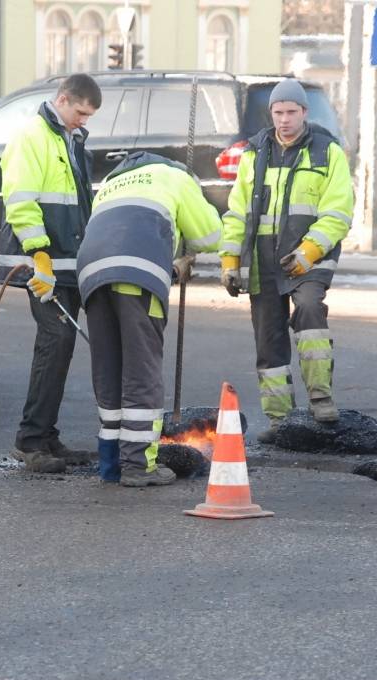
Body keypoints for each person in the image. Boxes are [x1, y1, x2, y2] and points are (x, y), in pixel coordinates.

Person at [219, 78, 354, 443]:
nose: (284, 120)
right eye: (278, 113)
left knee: (309, 310)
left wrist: (310, 250)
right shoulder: (254, 152)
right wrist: (230, 259)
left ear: (304, 113)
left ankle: (320, 399)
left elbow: (338, 212)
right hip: (263, 259)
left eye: (291, 112)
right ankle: (280, 420)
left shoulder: (327, 152)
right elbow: (237, 213)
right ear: (271, 114)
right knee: (269, 337)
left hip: (310, 257)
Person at [76, 152, 222, 486]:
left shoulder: (111, 184)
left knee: (109, 369)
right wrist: (182, 250)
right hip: (138, 276)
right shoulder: (177, 178)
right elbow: (210, 237)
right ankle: (139, 467)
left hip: (91, 277)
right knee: (142, 371)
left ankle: (111, 466)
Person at [0, 74, 102, 474]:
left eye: (89, 116)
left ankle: (45, 436)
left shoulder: (70, 140)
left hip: (65, 265)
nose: (84, 121)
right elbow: (20, 201)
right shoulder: (32, 137)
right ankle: (31, 440)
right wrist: (38, 254)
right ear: (62, 100)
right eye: (80, 112)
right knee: (54, 342)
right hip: (41, 264)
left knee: (61, 347)